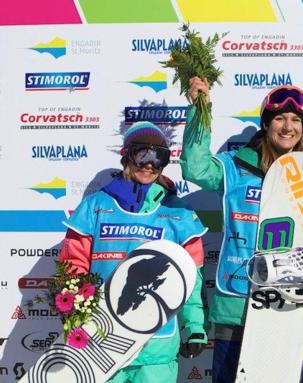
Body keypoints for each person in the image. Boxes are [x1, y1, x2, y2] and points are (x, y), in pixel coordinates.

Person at [180, 77, 303, 383]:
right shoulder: (234, 166)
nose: (287, 127)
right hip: (237, 301)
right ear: (266, 124)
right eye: (279, 118)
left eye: (296, 119)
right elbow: (195, 167)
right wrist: (200, 110)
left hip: (289, 303)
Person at [59, 121, 209, 383]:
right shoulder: (96, 206)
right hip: (105, 341)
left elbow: (190, 279)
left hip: (156, 348)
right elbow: (73, 265)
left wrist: (194, 326)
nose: (150, 164)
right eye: (143, 154)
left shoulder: (178, 213)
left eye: (159, 157)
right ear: (127, 155)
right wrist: (76, 313)